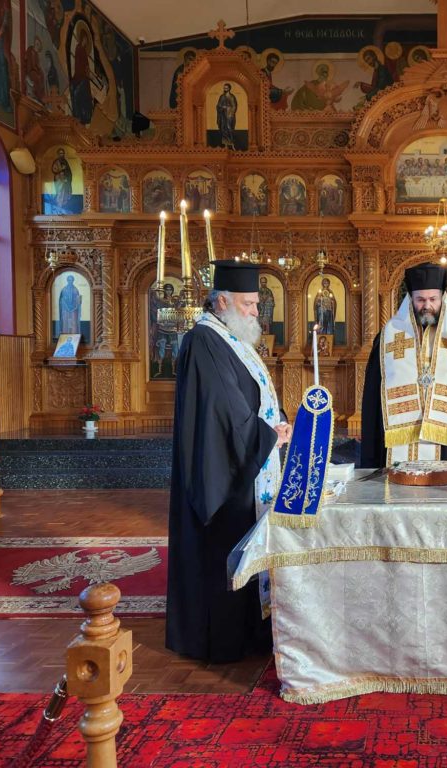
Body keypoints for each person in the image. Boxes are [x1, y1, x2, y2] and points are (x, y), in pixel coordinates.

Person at [166, 260, 292, 663]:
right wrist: (268, 435)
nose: (257, 311)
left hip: (247, 467)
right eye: (250, 303)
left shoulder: (229, 339)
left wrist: (276, 424)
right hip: (225, 476)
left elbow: (249, 398)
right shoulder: (204, 341)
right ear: (222, 301)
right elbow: (223, 413)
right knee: (226, 551)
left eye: (257, 304)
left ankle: (252, 629)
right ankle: (222, 640)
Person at [361, 263, 447, 467]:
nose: (427, 305)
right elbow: (373, 387)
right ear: (410, 300)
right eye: (420, 299)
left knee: (444, 487)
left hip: (445, 430)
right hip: (401, 427)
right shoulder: (390, 334)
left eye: (433, 299)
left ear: (442, 299)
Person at [215, 83, 238, 150]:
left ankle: (232, 144)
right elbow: (218, 106)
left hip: (229, 116)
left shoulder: (232, 97)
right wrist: (222, 107)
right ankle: (225, 145)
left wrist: (228, 108)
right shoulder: (222, 97)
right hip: (222, 116)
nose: (225, 89)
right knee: (223, 129)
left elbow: (234, 107)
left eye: (226, 88)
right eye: (224, 88)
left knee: (229, 129)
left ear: (229, 89)